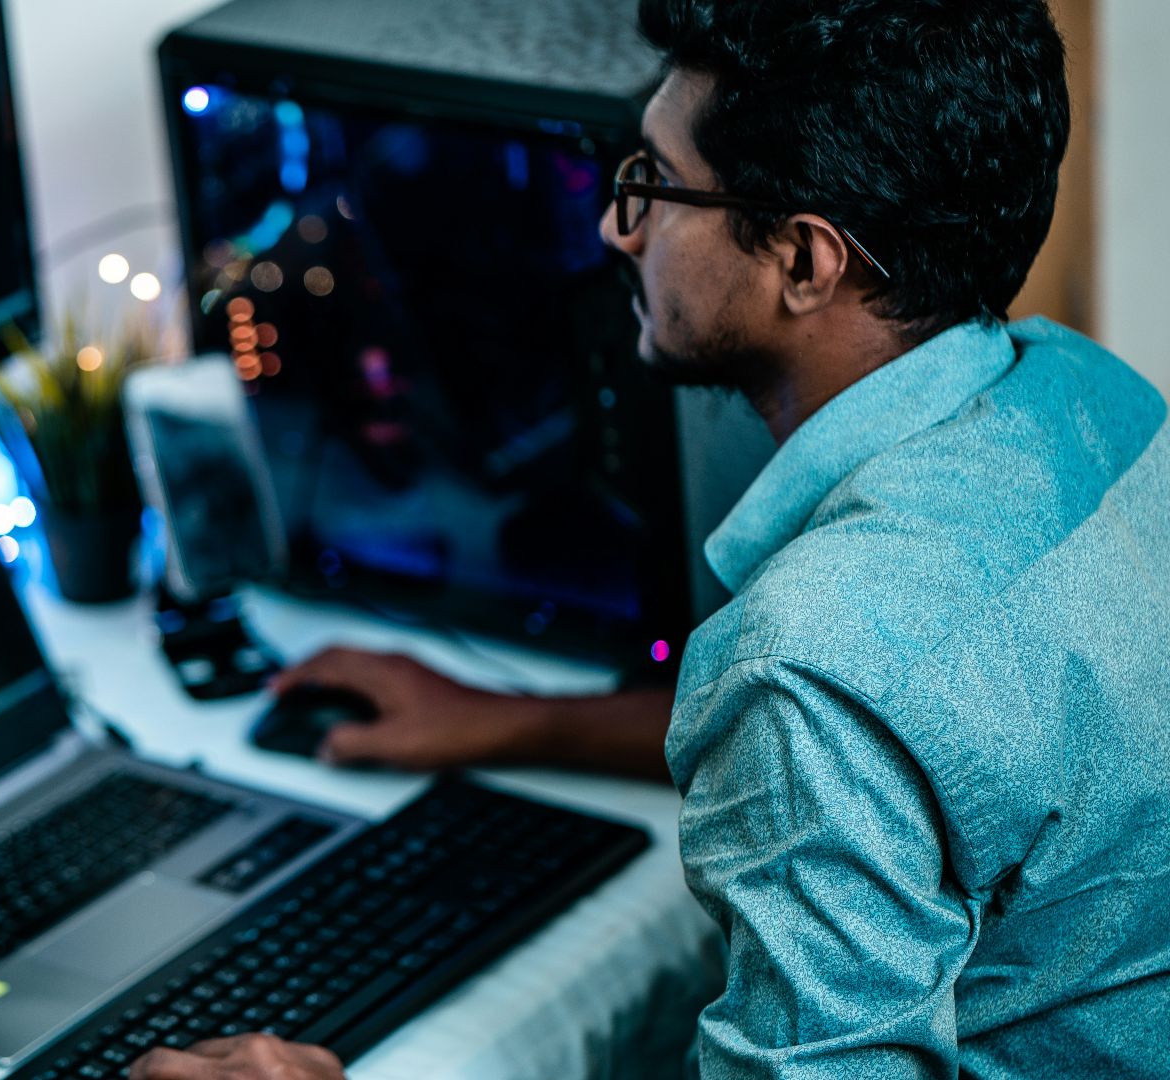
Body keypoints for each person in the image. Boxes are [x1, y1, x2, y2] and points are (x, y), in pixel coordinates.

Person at [128, 0, 1170, 1076]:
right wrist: (511, 719)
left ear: (804, 263)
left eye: (656, 185)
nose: (617, 231)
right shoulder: (1093, 397)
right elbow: (911, 739)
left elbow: (834, 702)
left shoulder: (810, 666)